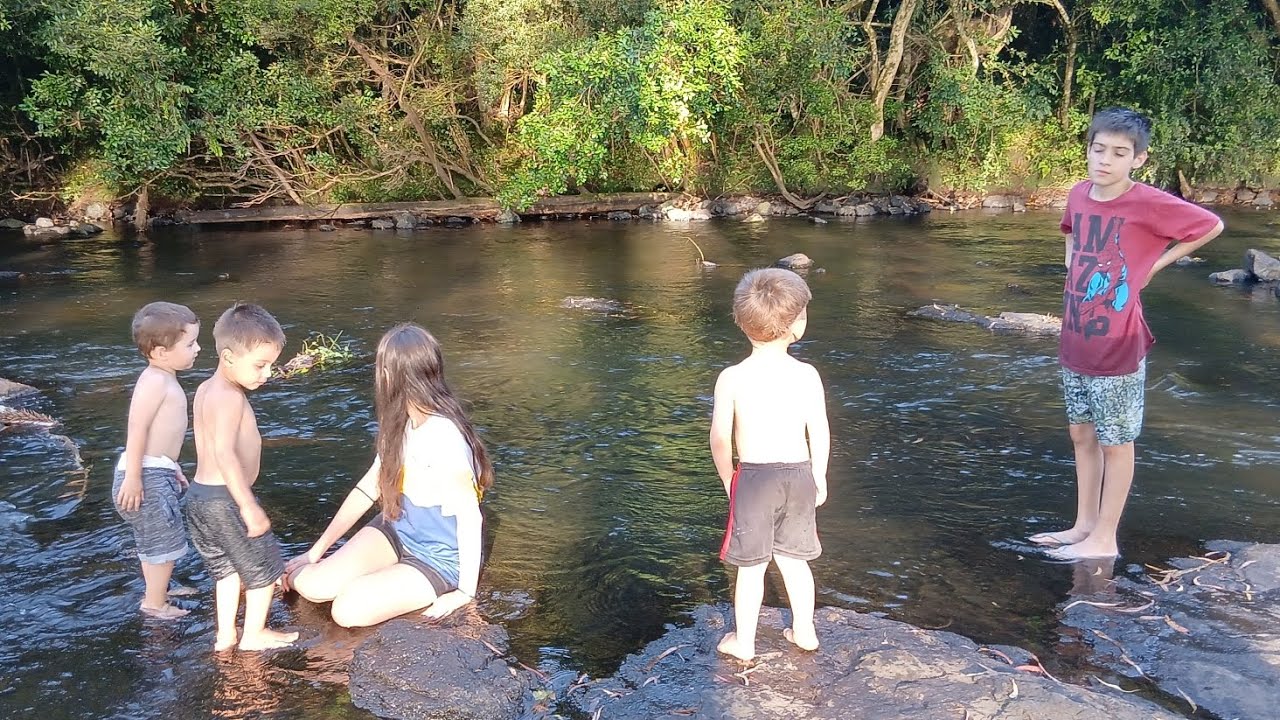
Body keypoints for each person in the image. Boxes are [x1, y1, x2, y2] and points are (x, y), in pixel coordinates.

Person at [1029, 108, 1223, 560]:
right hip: (1076, 337)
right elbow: (1071, 232)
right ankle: (1083, 525)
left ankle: (1105, 539)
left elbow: (1210, 225)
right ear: (1089, 149)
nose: (1105, 161)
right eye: (1099, 150)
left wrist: (1153, 266)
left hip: (1117, 342)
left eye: (1119, 153)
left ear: (1138, 159)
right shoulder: (1078, 194)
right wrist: (1072, 265)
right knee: (1082, 434)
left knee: (1117, 441)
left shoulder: (1148, 202)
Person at [283, 323, 492, 628]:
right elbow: (368, 489)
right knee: (315, 586)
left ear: (391, 376)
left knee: (347, 611)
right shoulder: (401, 424)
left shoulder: (444, 437)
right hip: (396, 530)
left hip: (437, 558)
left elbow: (470, 518)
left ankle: (396, 583)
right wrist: (315, 552)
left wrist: (464, 592)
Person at [710, 268, 830, 662]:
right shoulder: (807, 375)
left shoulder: (732, 377)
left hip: (756, 478)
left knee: (751, 566)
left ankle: (745, 643)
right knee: (795, 561)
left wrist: (729, 478)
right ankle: (805, 631)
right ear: (799, 324)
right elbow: (821, 431)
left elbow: (720, 438)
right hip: (799, 473)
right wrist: (820, 476)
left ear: (741, 323)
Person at [187, 303, 298, 651]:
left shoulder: (206, 389)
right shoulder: (230, 398)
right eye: (260, 365)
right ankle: (254, 635)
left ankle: (225, 635)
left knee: (227, 571)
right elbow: (224, 453)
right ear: (228, 357)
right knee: (263, 571)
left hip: (200, 497)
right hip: (226, 499)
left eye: (271, 365)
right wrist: (248, 505)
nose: (266, 374)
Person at [114, 301, 201, 619]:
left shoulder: (164, 379)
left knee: (153, 538)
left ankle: (159, 588)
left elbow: (160, 438)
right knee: (164, 541)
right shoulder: (154, 381)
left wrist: (172, 467)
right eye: (190, 344)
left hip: (155, 471)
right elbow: (137, 428)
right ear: (161, 352)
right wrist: (134, 477)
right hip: (145, 476)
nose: (197, 349)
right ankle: (154, 604)